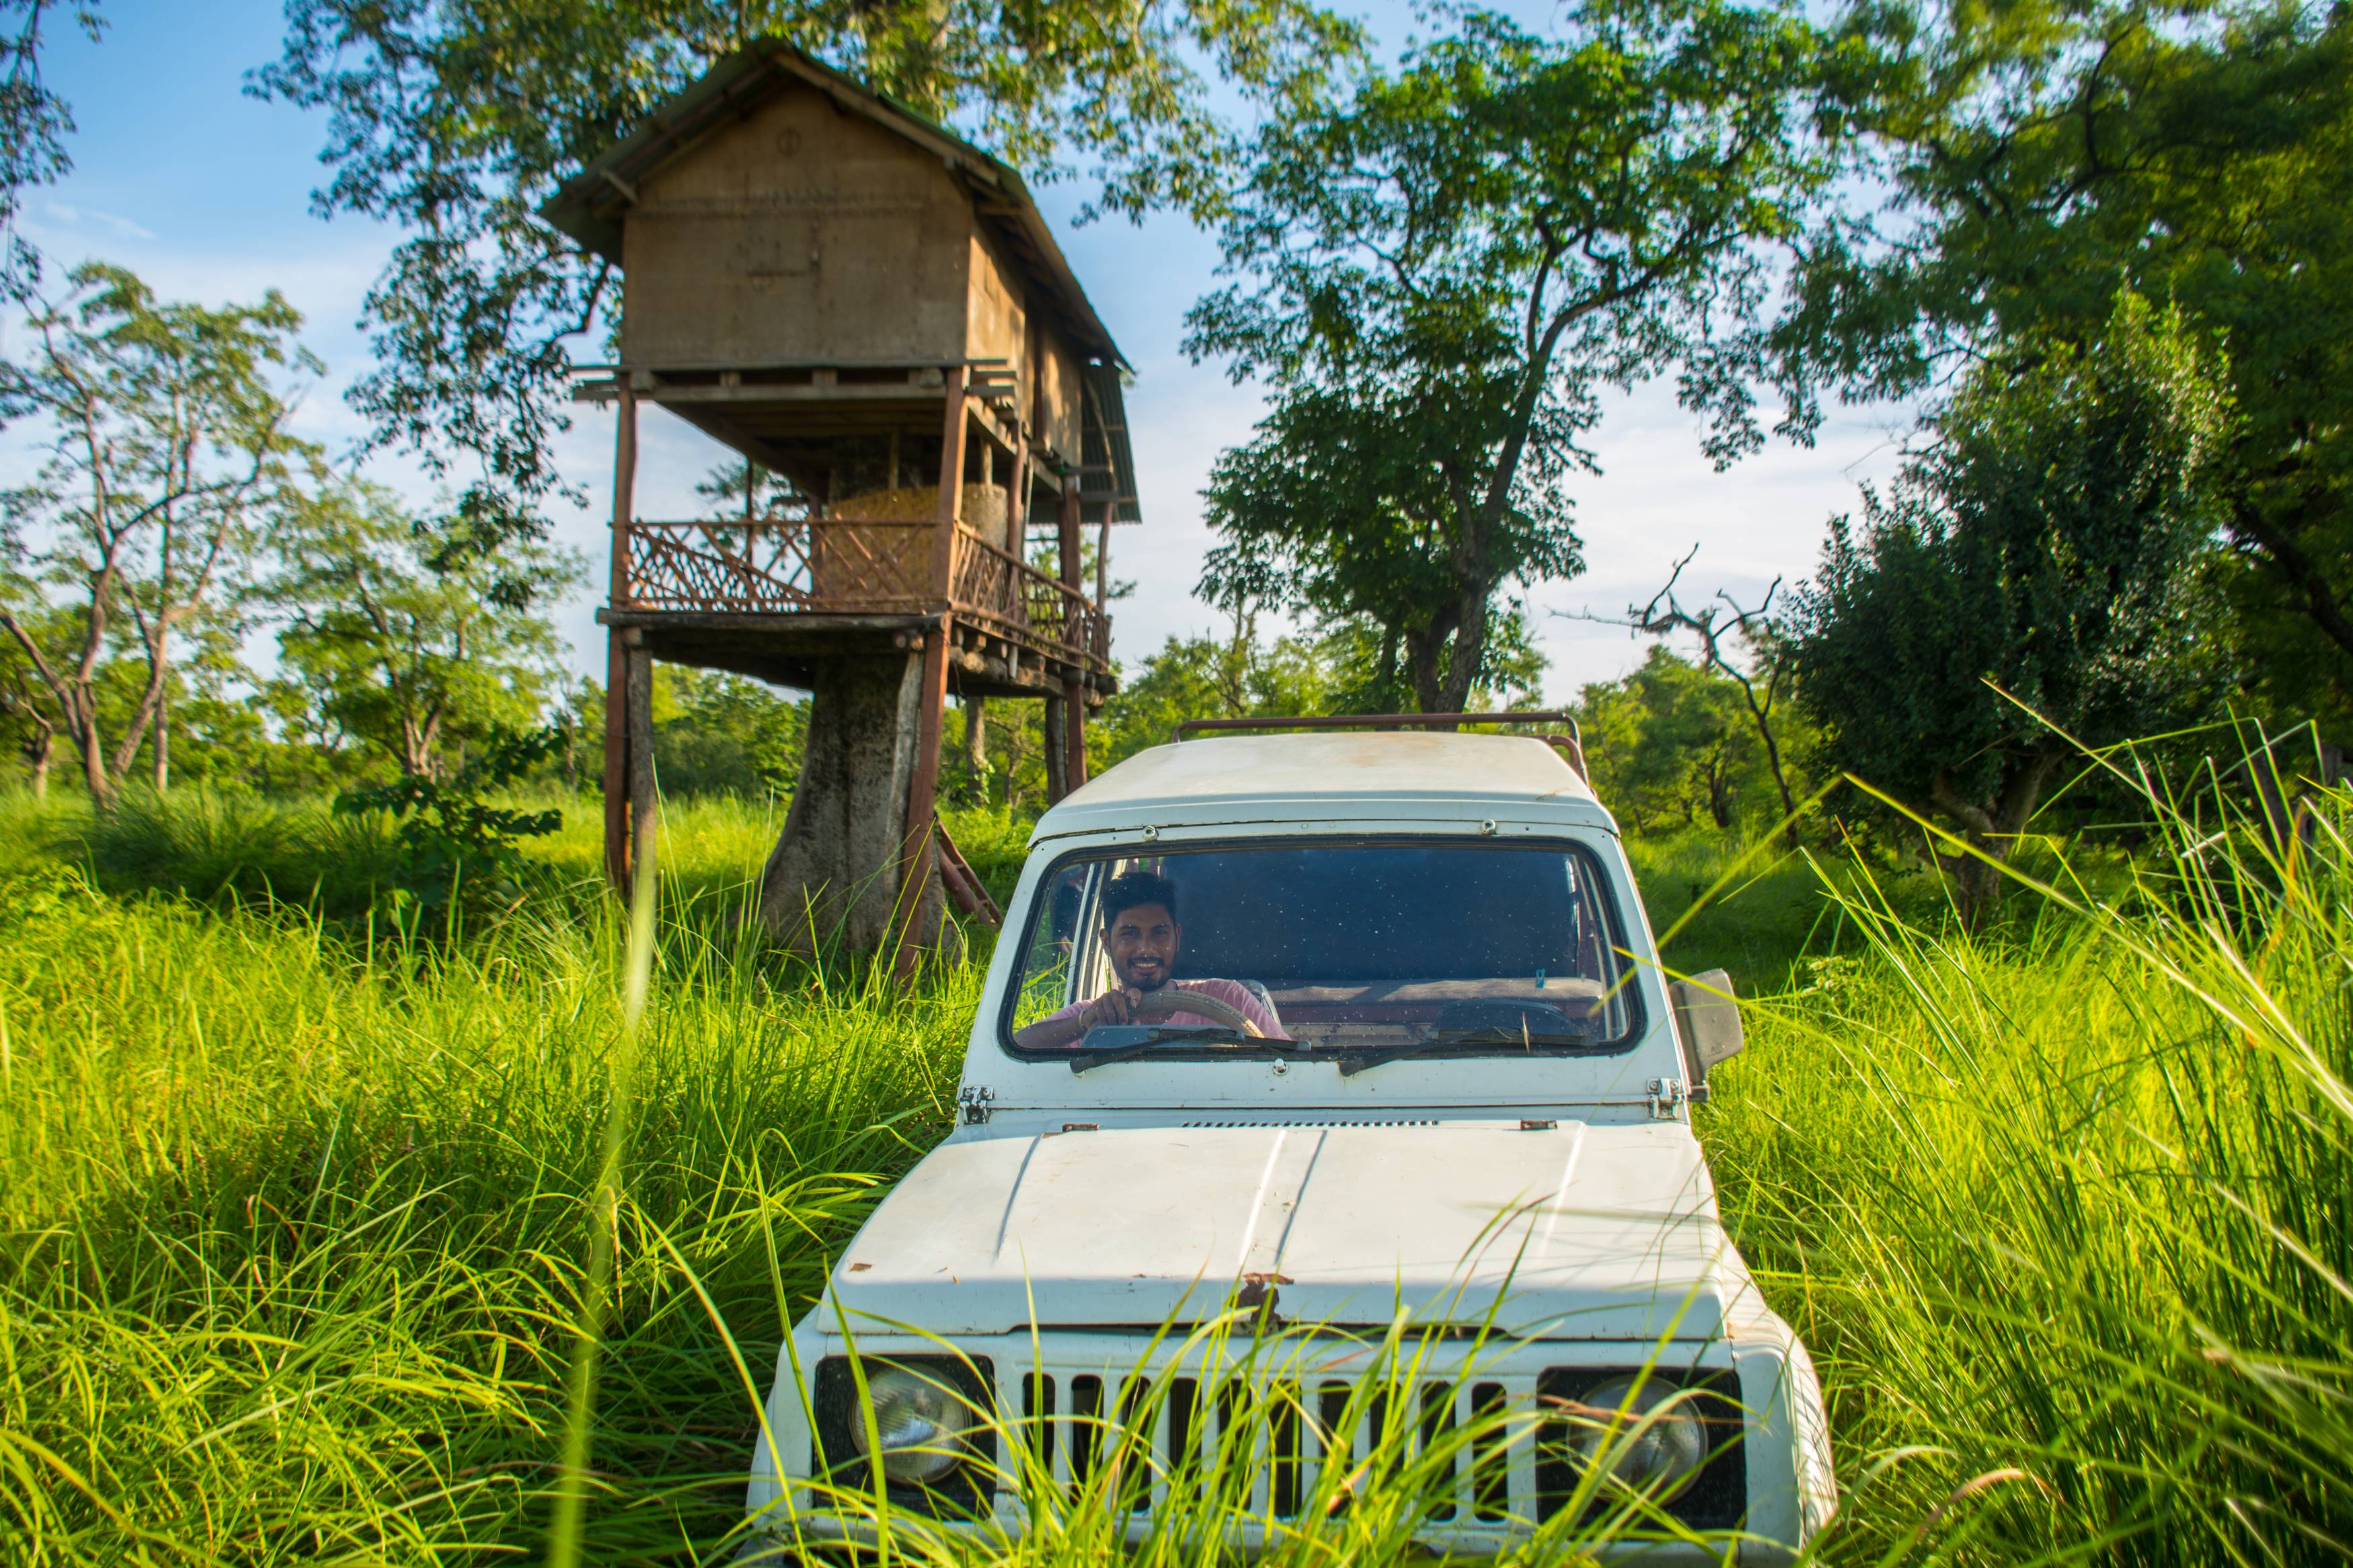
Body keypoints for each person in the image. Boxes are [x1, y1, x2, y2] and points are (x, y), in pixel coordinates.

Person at [1013, 870, 1288, 1049]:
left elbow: (1289, 1067)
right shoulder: (1093, 1015)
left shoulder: (1227, 997)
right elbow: (1016, 1051)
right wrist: (1086, 1022)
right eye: (1130, 934)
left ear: (1177, 938)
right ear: (1106, 942)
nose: (1146, 949)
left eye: (1160, 934)